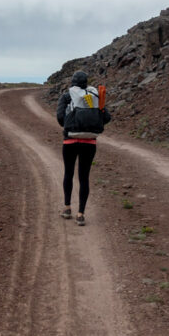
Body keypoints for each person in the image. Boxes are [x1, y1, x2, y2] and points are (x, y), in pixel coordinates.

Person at [56, 70, 111, 226]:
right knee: (84, 177)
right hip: (90, 142)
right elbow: (106, 117)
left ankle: (67, 208)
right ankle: (81, 214)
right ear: (86, 82)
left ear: (73, 82)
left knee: (68, 172)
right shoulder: (94, 96)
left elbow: (60, 117)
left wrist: (70, 125)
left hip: (70, 141)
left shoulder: (67, 96)